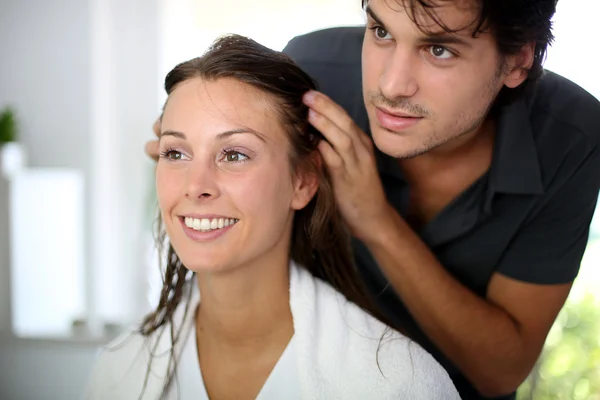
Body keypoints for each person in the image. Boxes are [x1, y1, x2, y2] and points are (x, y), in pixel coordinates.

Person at [142, 1, 600, 399]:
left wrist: (377, 223)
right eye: (380, 31)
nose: (392, 85)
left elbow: (501, 371)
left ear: (517, 61)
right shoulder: (313, 74)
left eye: (439, 49)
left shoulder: (572, 139)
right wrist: (191, 145)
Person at [85, 34, 460, 400]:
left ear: (302, 180)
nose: (195, 186)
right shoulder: (118, 371)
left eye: (233, 155)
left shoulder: (397, 383)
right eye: (176, 153)